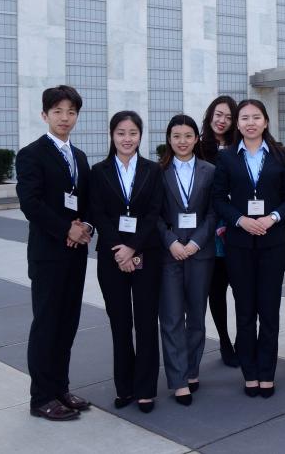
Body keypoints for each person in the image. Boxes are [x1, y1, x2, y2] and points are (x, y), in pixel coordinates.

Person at [16, 85, 93, 421]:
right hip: (48, 254)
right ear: (44, 115)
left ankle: (61, 388)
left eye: (71, 112)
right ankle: (41, 397)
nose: (65, 118)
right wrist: (66, 229)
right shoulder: (31, 154)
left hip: (75, 254)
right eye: (58, 111)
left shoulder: (80, 157)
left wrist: (86, 226)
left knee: (67, 323)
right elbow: (30, 204)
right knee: (47, 324)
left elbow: (88, 201)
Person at [212, 99, 285, 398]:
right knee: (245, 311)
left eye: (256, 117)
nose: (250, 123)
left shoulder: (282, 155)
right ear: (237, 124)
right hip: (239, 244)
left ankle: (266, 372)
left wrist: (272, 217)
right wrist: (240, 220)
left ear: (266, 122)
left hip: (273, 244)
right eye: (245, 118)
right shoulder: (226, 158)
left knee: (269, 311)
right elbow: (218, 198)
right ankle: (249, 373)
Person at [88, 111, 164, 413]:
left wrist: (132, 248)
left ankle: (146, 389)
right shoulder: (99, 171)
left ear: (140, 136)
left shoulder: (153, 170)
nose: (127, 139)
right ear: (112, 135)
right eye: (121, 133)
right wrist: (119, 250)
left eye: (133, 133)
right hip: (112, 257)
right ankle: (125, 387)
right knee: (120, 324)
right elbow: (98, 213)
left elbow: (154, 212)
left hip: (146, 253)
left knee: (146, 323)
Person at [157, 114, 217, 407]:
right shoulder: (158, 172)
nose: (182, 141)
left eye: (188, 136)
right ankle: (178, 380)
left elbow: (214, 213)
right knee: (171, 318)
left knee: (196, 316)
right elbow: (153, 215)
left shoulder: (210, 171)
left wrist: (195, 243)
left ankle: (191, 369)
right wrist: (171, 242)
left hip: (200, 253)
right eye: (176, 136)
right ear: (169, 139)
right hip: (169, 254)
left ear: (196, 139)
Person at [197, 95, 239, 368]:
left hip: (238, 227)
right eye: (218, 115)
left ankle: (243, 339)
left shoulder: (240, 147)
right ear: (210, 115)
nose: (222, 121)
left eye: (228, 117)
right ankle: (224, 340)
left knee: (242, 289)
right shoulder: (199, 147)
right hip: (210, 231)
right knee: (216, 289)